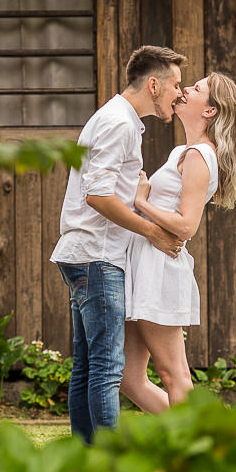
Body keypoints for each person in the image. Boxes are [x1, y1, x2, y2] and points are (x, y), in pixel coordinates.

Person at [50, 45, 187, 444]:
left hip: (84, 254)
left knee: (88, 367)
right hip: (97, 257)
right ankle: (106, 462)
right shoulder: (119, 123)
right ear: (154, 84)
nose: (180, 94)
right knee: (107, 368)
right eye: (176, 85)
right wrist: (151, 231)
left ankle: (85, 459)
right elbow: (98, 195)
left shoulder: (115, 118)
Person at [119, 72, 236, 413]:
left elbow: (187, 225)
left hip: (160, 268)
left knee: (174, 374)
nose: (184, 91)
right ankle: (201, 434)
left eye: (195, 89)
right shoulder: (183, 151)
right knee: (130, 378)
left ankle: (199, 443)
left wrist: (142, 202)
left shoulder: (200, 156)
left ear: (210, 110)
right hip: (143, 263)